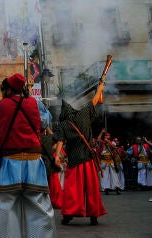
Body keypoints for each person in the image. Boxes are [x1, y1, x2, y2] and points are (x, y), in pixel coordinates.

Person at [0, 73, 55, 237]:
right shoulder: (36, 104)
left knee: (6, 208)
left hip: (10, 162)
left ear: (9, 89)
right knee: (39, 207)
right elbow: (45, 122)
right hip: (34, 163)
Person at [53, 81, 107, 226]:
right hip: (88, 159)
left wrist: (57, 156)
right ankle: (94, 215)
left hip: (75, 159)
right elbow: (95, 101)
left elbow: (60, 141)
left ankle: (69, 215)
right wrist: (100, 88)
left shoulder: (63, 124)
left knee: (72, 189)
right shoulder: (83, 114)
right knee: (92, 189)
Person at [96, 130, 122, 195]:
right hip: (104, 161)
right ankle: (106, 188)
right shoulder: (102, 143)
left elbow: (114, 147)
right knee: (105, 175)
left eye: (108, 136)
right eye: (106, 136)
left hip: (111, 161)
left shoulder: (112, 142)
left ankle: (116, 188)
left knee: (114, 175)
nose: (107, 137)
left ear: (109, 137)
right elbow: (98, 140)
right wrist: (101, 132)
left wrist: (108, 141)